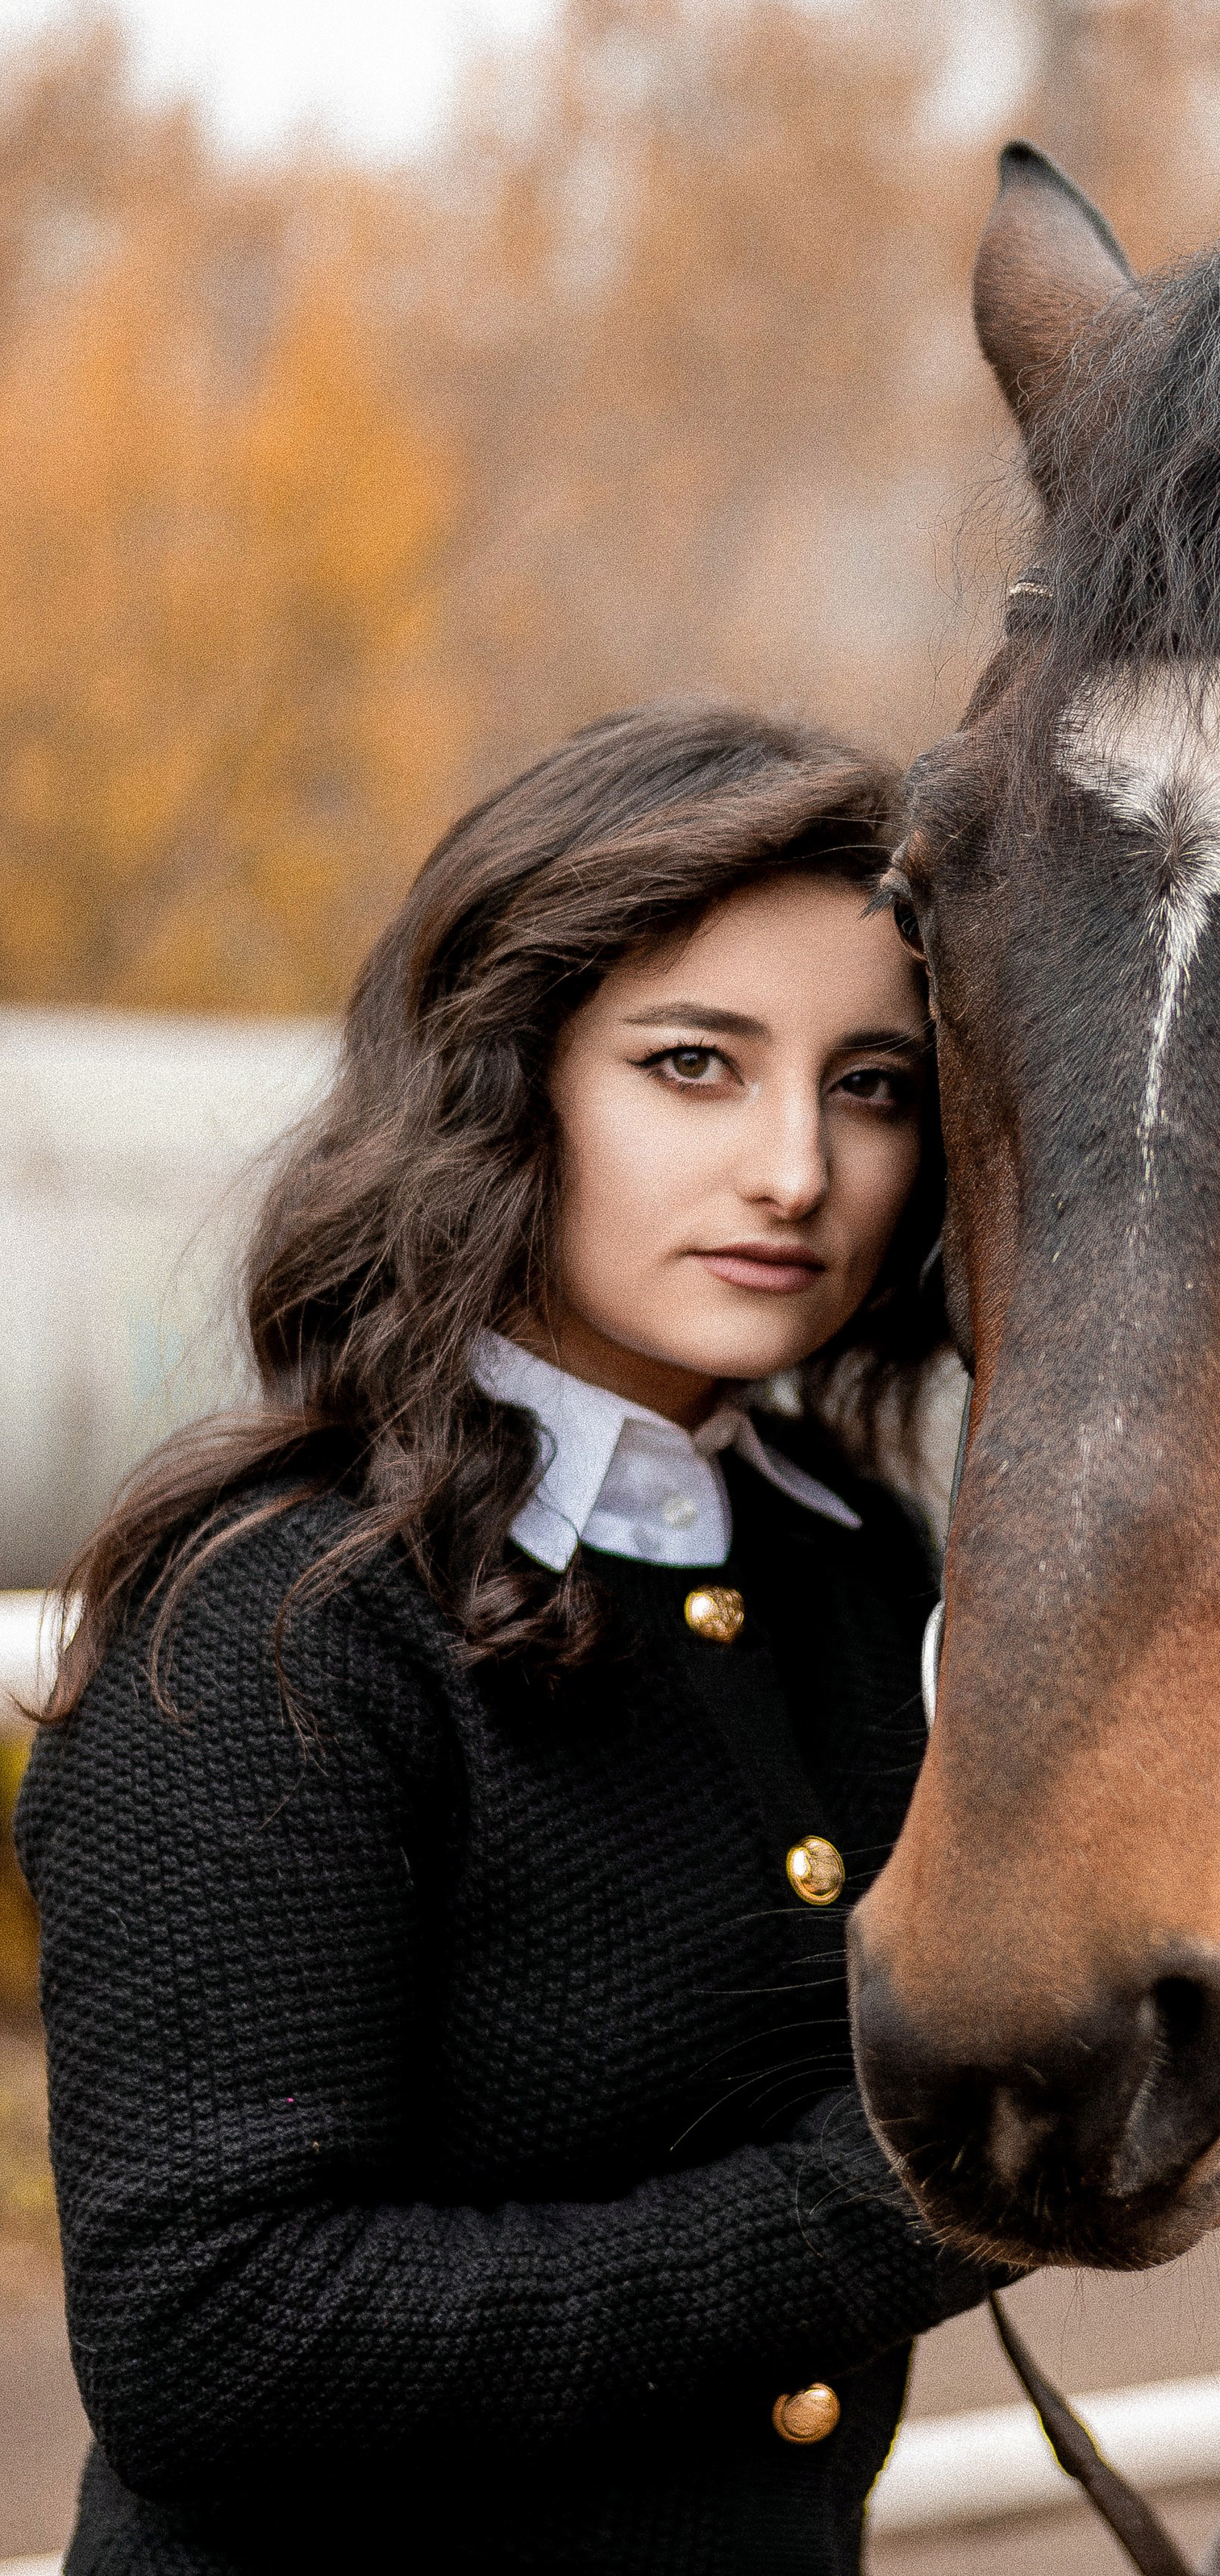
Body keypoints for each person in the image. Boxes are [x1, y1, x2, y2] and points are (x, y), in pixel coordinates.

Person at [17, 705, 998, 2576]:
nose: (796, 1167)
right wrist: (887, 2215)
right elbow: (209, 2339)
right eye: (695, 1063)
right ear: (502, 1073)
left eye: (870, 1084)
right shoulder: (272, 1614)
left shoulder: (857, 1562)